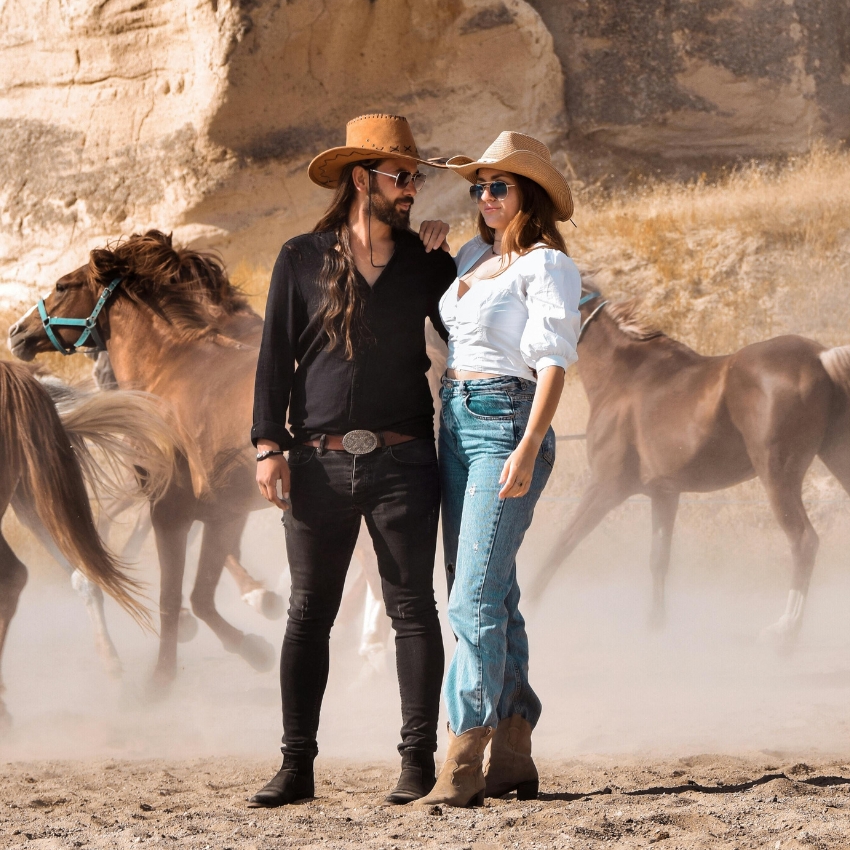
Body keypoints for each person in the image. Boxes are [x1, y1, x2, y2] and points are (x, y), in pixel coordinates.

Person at [249, 114, 456, 807]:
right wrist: (267, 445)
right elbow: (276, 357)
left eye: (415, 177)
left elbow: (467, 331)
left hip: (403, 463)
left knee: (413, 610)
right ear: (361, 178)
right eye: (402, 176)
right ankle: (296, 767)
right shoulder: (299, 257)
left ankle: (417, 764)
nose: (412, 188)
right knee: (309, 613)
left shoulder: (427, 263)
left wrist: (453, 265)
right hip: (315, 463)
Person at [417, 132, 581, 808]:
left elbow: (552, 359)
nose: (484, 198)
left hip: (505, 422)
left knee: (472, 598)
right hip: (453, 421)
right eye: (479, 186)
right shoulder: (471, 255)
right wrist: (428, 252)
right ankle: (514, 749)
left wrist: (529, 440)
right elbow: (447, 323)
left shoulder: (546, 266)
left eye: (499, 187)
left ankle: (462, 756)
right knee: (490, 588)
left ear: (528, 196)